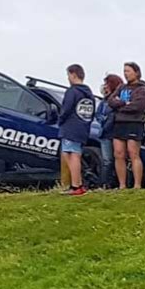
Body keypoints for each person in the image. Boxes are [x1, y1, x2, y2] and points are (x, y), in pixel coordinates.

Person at [109, 62, 145, 190]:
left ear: (136, 72)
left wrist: (121, 106)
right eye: (124, 71)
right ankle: (122, 185)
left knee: (133, 153)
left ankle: (137, 185)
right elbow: (111, 100)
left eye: (128, 71)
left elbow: (138, 106)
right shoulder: (121, 88)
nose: (126, 74)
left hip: (134, 124)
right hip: (119, 123)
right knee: (118, 153)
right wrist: (123, 103)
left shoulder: (142, 90)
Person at [56, 65, 96, 196]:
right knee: (75, 154)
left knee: (71, 155)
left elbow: (66, 109)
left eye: (68, 75)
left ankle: (76, 185)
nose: (68, 78)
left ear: (73, 75)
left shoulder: (72, 91)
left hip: (70, 128)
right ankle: (78, 184)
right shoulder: (89, 94)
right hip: (82, 127)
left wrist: (60, 120)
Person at [92, 75, 118, 189]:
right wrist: (102, 119)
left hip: (112, 133)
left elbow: (112, 117)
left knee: (111, 160)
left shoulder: (115, 100)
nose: (105, 87)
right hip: (104, 134)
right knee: (106, 160)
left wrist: (105, 123)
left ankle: (107, 183)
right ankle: (104, 184)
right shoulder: (103, 101)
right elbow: (98, 114)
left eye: (107, 84)